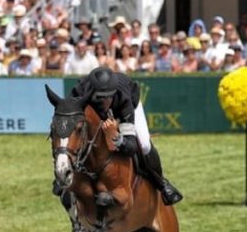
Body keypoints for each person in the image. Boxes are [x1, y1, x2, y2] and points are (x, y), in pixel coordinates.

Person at [67, 66, 182, 205]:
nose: (105, 102)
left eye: (109, 96)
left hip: (131, 103)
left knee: (144, 145)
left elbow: (131, 146)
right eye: (101, 98)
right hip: (94, 109)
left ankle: (161, 183)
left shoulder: (123, 99)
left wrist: (116, 137)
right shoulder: (79, 92)